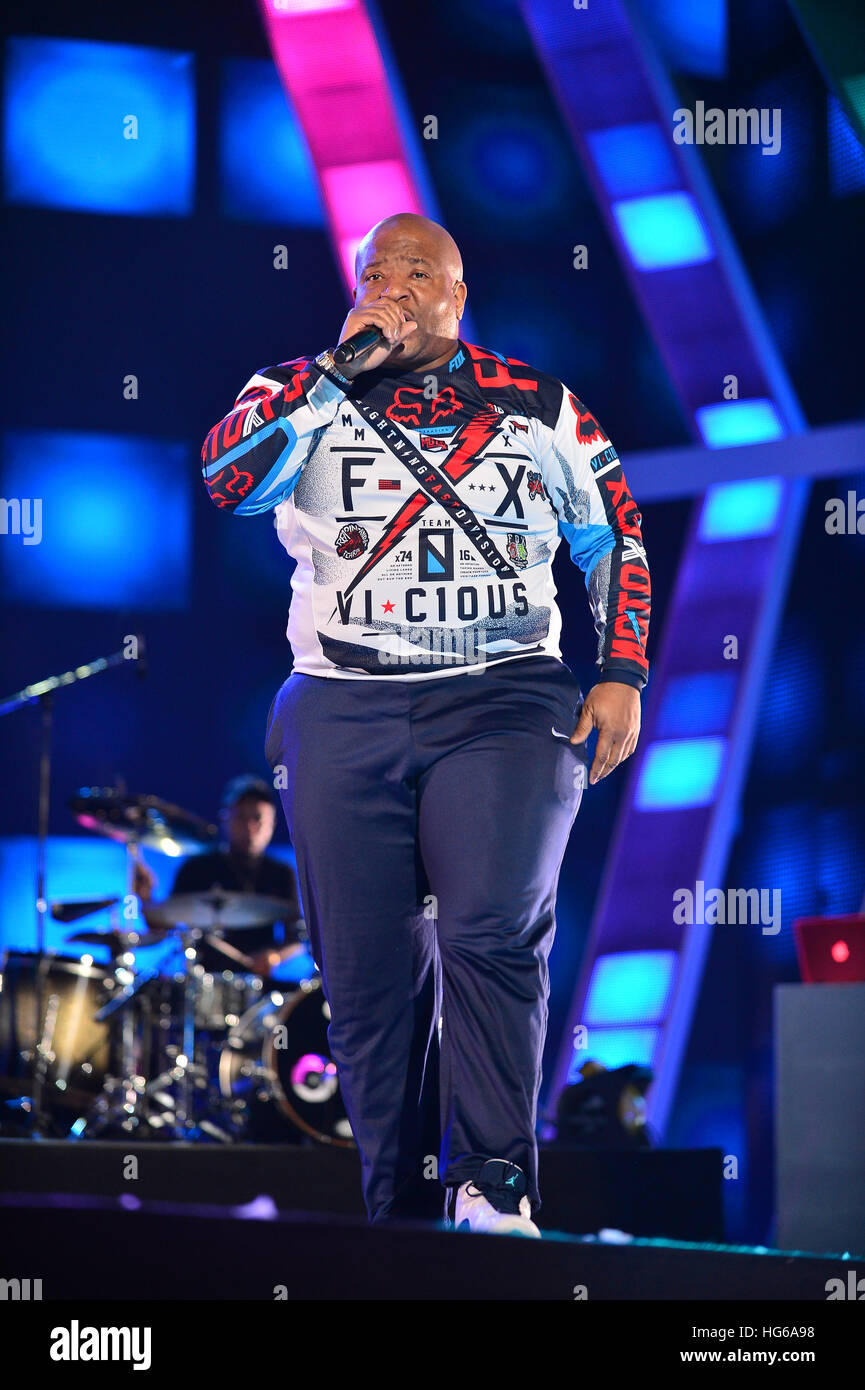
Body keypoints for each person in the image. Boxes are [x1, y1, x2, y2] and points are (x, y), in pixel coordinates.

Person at [200, 213, 651, 1235]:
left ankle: (492, 1184)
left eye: (416, 270)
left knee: (492, 926)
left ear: (457, 294)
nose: (392, 286)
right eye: (374, 272)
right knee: (365, 976)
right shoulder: (294, 389)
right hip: (341, 701)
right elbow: (230, 483)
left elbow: (612, 531)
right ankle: (399, 1212)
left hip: (504, 695)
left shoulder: (536, 401)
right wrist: (334, 373)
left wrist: (621, 668)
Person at [133, 775, 303, 977]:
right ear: (225, 818)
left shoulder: (281, 873)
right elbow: (164, 929)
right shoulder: (196, 868)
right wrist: (146, 900)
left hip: (259, 985)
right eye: (241, 818)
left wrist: (274, 956)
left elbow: (297, 938)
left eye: (257, 818)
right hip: (204, 980)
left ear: (272, 824)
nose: (250, 827)